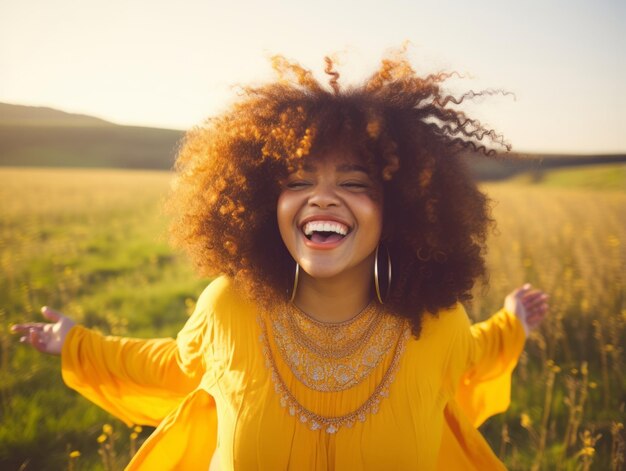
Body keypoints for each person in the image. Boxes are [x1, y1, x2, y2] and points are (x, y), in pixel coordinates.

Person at [12, 51, 549, 470]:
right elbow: (176, 365)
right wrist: (78, 344)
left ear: (400, 210)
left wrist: (513, 322)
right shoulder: (229, 306)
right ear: (266, 202)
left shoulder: (433, 323)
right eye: (298, 182)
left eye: (354, 184)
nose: (321, 198)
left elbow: (474, 356)